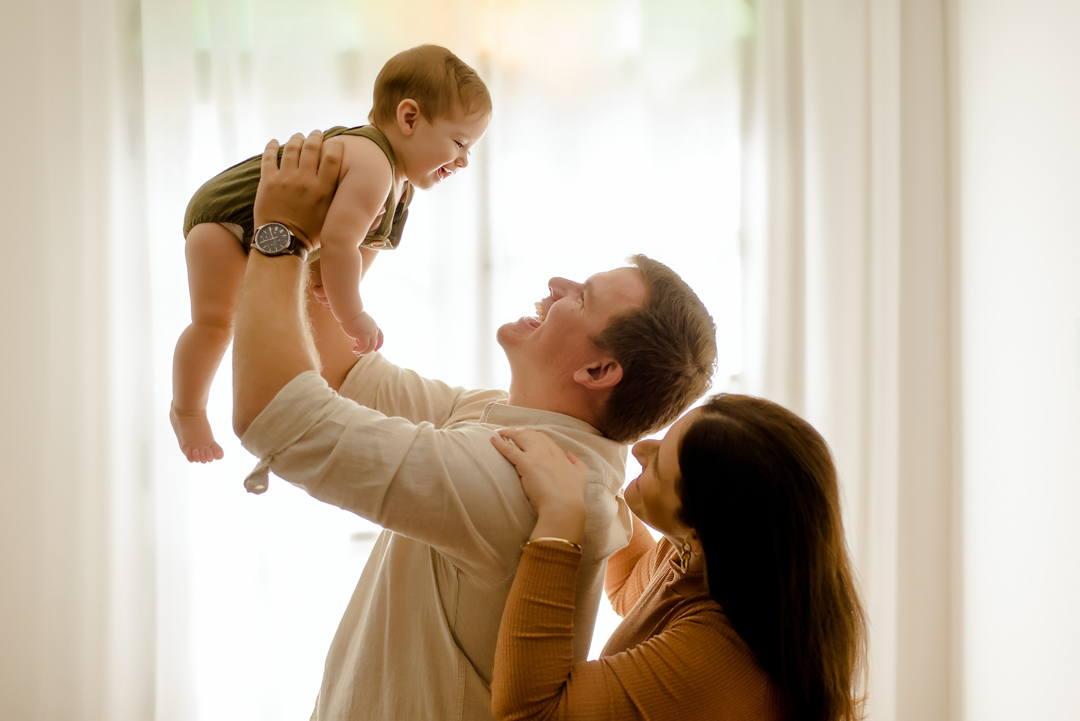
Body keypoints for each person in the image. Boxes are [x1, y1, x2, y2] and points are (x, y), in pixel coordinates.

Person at [229, 131, 718, 720]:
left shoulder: (519, 480)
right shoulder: (507, 419)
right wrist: (362, 227)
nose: (556, 285)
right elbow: (343, 371)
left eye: (582, 297)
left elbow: (276, 416)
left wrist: (280, 234)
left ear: (597, 371)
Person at [170, 44, 491, 463]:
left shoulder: (401, 187)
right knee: (216, 322)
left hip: (266, 229)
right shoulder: (374, 164)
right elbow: (340, 243)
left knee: (253, 316)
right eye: (459, 143)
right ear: (409, 118)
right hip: (224, 219)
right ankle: (187, 410)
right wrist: (352, 315)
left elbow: (365, 244)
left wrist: (333, 283)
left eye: (470, 150)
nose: (464, 161)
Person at [490, 394, 869, 721]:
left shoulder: (718, 662)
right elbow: (632, 585)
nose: (639, 448)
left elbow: (533, 712)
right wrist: (594, 484)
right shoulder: (713, 562)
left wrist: (561, 517)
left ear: (699, 533)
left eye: (658, 463)